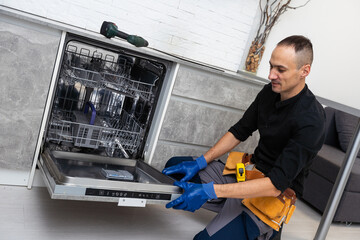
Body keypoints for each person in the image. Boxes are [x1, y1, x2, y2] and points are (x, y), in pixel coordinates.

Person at [162, 35, 326, 240]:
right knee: (176, 170)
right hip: (249, 174)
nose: (270, 75)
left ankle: (266, 229)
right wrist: (200, 162)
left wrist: (211, 191)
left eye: (280, 70)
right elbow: (240, 130)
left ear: (305, 71)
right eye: (271, 66)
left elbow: (275, 184)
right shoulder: (270, 92)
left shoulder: (312, 120)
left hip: (271, 192)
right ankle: (232, 211)